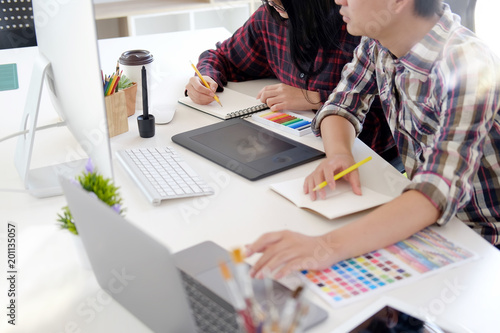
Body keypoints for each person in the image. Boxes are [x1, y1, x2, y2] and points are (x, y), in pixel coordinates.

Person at [247, 0, 500, 279]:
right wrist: (340, 155)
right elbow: (340, 106)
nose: (337, 0)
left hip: (483, 239)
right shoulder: (377, 41)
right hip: (427, 220)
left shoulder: (467, 64)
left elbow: (436, 190)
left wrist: (323, 247)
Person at [184, 0, 396, 157]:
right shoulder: (271, 15)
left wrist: (316, 97)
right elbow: (222, 57)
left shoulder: (358, 25)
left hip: (368, 155)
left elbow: (388, 103)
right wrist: (206, 78)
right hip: (302, 148)